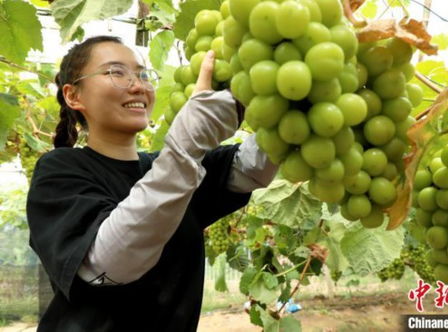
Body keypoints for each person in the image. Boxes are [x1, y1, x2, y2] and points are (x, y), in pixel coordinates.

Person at [26, 35, 278, 332]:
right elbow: (106, 263)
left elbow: (251, 167)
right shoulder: (59, 170)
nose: (138, 85)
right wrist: (189, 141)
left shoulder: (171, 168)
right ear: (73, 96)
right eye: (116, 72)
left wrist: (282, 96)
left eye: (143, 74)